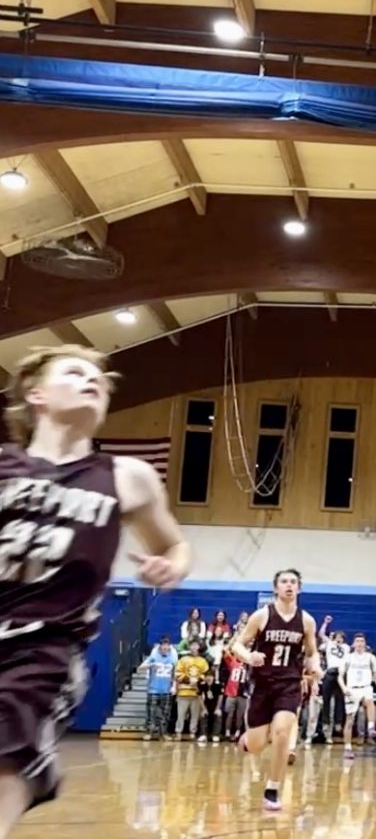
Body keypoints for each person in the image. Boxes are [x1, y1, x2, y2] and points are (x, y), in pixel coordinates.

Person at [0, 344, 191, 838]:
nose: (93, 381)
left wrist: (168, 567)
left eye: (100, 380)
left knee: (5, 760)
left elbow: (174, 544)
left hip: (44, 649)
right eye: (75, 371)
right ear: (36, 394)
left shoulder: (128, 478)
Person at [230, 569, 321, 811]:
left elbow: (312, 653)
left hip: (289, 684)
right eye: (284, 581)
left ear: (299, 588)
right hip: (262, 685)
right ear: (275, 588)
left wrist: (316, 667)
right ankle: (247, 740)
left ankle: (272, 788)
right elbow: (236, 645)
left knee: (282, 732)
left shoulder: (307, 621)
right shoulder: (261, 616)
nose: (289, 585)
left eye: (293, 582)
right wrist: (249, 656)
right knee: (257, 746)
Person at [340, 633, 376, 760]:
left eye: (362, 641)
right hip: (352, 689)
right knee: (349, 720)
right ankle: (347, 748)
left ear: (365, 643)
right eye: (357, 641)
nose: (359, 643)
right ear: (353, 644)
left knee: (369, 701)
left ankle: (371, 727)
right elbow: (340, 676)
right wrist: (344, 688)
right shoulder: (348, 658)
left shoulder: (371, 658)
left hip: (365, 687)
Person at [138, 635, 178, 741]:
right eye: (163, 646)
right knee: (151, 712)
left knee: (165, 713)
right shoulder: (154, 656)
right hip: (153, 689)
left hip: (166, 689)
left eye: (167, 646)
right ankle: (149, 732)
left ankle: (163, 733)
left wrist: (174, 686)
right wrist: (151, 665)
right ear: (160, 646)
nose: (165, 648)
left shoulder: (173, 658)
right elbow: (140, 667)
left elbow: (175, 674)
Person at [174, 639, 209, 741]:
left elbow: (206, 674)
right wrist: (189, 679)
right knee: (181, 714)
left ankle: (192, 732)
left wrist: (198, 679)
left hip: (196, 693)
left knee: (195, 715)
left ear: (199, 647)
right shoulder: (183, 659)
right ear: (189, 647)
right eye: (192, 645)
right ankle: (178, 732)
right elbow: (177, 674)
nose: (194, 647)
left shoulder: (202, 661)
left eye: (196, 645)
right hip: (183, 692)